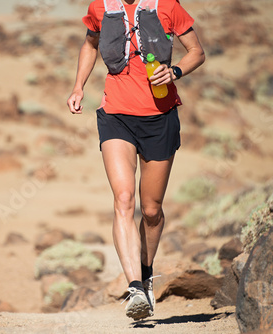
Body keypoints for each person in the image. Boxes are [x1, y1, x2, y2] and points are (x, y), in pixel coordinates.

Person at [66, 0, 205, 321]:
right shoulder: (100, 6)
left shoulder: (168, 5)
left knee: (152, 210)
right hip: (116, 115)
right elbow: (90, 44)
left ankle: (145, 272)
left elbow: (197, 51)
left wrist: (176, 71)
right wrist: (77, 87)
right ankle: (135, 288)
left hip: (160, 116)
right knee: (124, 199)